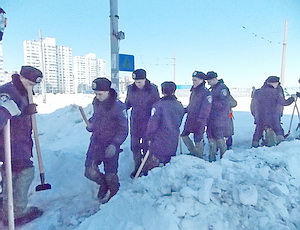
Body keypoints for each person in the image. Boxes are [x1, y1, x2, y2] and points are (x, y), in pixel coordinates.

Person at [0, 66, 44, 226]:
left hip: (19, 141)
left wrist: (25, 111)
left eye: (34, 85)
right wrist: (22, 110)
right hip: (10, 142)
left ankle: (7, 209)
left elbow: (16, 113)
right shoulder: (8, 92)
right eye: (30, 84)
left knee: (12, 174)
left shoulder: (21, 91)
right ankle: (17, 212)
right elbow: (4, 115)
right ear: (21, 77)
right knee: (24, 172)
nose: (32, 88)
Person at [84, 77, 128, 204]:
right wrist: (91, 124)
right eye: (95, 94)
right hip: (96, 142)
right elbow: (96, 117)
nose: (97, 96)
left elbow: (123, 129)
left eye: (100, 94)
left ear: (108, 91)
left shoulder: (119, 107)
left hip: (111, 145)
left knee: (111, 176)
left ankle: (114, 197)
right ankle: (103, 184)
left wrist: (115, 144)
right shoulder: (97, 102)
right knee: (90, 171)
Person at [125, 69, 160, 178]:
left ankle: (146, 167)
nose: (137, 84)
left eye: (140, 82)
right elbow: (128, 103)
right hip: (135, 121)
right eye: (136, 82)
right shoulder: (131, 89)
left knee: (146, 145)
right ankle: (137, 167)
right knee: (134, 146)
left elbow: (157, 105)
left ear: (145, 79)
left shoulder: (152, 89)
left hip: (148, 122)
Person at [143, 81, 184, 173]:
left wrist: (149, 136)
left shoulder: (158, 105)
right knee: (168, 164)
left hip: (159, 139)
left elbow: (153, 123)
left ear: (162, 91)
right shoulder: (179, 105)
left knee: (154, 163)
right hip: (173, 138)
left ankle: (150, 180)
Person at [251, 76, 295, 147]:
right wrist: (292, 98)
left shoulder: (257, 92)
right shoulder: (275, 92)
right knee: (279, 131)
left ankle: (254, 146)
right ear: (273, 83)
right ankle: (282, 147)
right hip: (273, 117)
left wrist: (255, 115)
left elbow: (252, 106)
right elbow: (284, 102)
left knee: (258, 132)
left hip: (260, 117)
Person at [181, 71, 212, 158]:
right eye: (193, 80)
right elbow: (191, 105)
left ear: (202, 80)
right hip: (190, 118)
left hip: (199, 120)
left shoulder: (206, 93)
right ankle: (194, 152)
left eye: (195, 80)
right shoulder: (194, 92)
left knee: (198, 139)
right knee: (184, 136)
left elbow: (206, 108)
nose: (193, 82)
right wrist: (183, 110)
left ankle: (199, 156)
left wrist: (201, 120)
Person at [206, 71, 231, 162]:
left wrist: (210, 104)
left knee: (220, 139)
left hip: (219, 118)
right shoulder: (213, 89)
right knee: (211, 139)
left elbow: (224, 104)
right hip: (212, 118)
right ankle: (212, 159)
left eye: (209, 81)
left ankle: (224, 159)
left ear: (214, 79)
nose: (208, 83)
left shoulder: (222, 89)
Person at [218, 79, 237, 150]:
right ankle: (228, 144)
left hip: (225, 114)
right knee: (228, 129)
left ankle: (225, 145)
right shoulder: (227, 94)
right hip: (227, 114)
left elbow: (234, 103)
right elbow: (234, 103)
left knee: (225, 129)